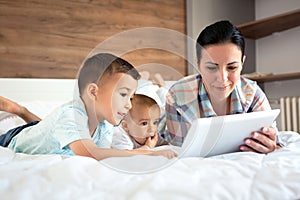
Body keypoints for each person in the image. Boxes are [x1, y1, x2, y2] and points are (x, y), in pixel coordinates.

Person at [0, 53, 177, 160]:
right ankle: (19, 110)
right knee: (45, 128)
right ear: (93, 92)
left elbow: (105, 153)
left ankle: (21, 111)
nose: (129, 105)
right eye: (123, 94)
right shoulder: (70, 115)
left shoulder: (106, 125)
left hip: (50, 134)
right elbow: (91, 153)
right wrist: (144, 152)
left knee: (47, 128)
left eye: (131, 97)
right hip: (13, 138)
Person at [165, 20, 280, 154]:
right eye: (211, 68)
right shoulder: (177, 96)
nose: (222, 78)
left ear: (242, 63)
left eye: (232, 67)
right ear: (198, 64)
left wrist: (271, 146)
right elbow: (180, 151)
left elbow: (275, 142)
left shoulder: (253, 93)